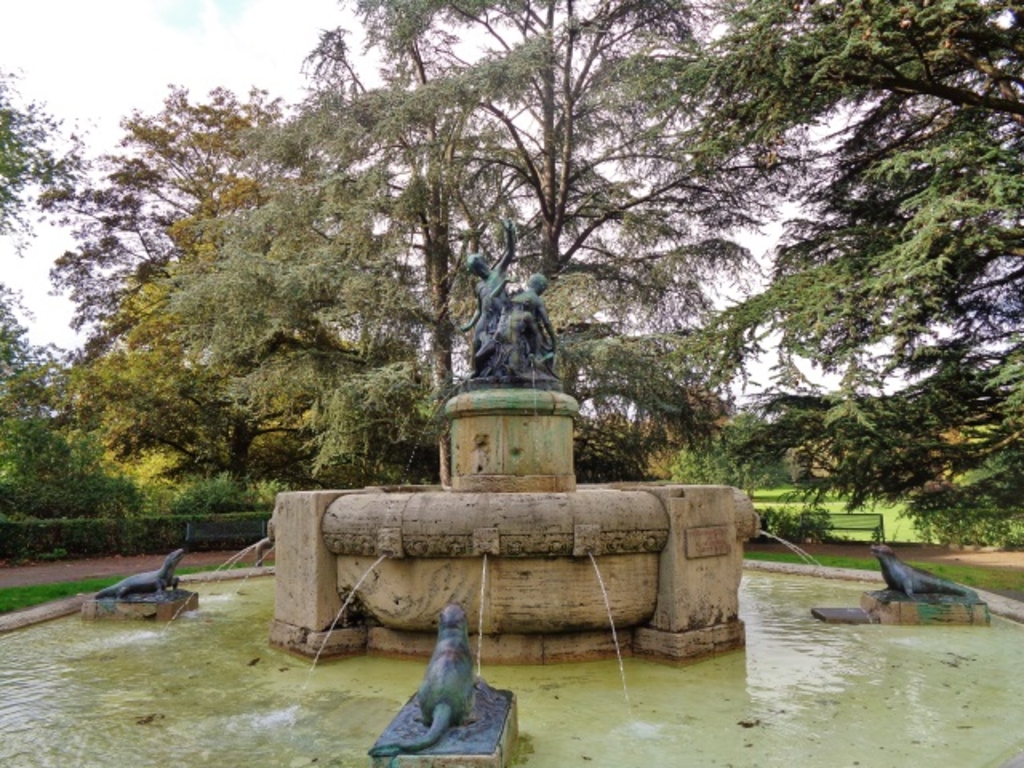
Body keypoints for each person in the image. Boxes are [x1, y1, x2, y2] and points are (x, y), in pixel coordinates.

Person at [459, 220, 516, 376]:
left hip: (502, 315)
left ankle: (505, 370)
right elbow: (479, 308)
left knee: (502, 343)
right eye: (475, 270)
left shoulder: (498, 272)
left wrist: (510, 233)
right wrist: (469, 325)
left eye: (479, 266)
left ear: (484, 263)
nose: (479, 271)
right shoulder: (478, 286)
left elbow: (509, 252)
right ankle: (476, 371)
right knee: (476, 343)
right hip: (485, 318)